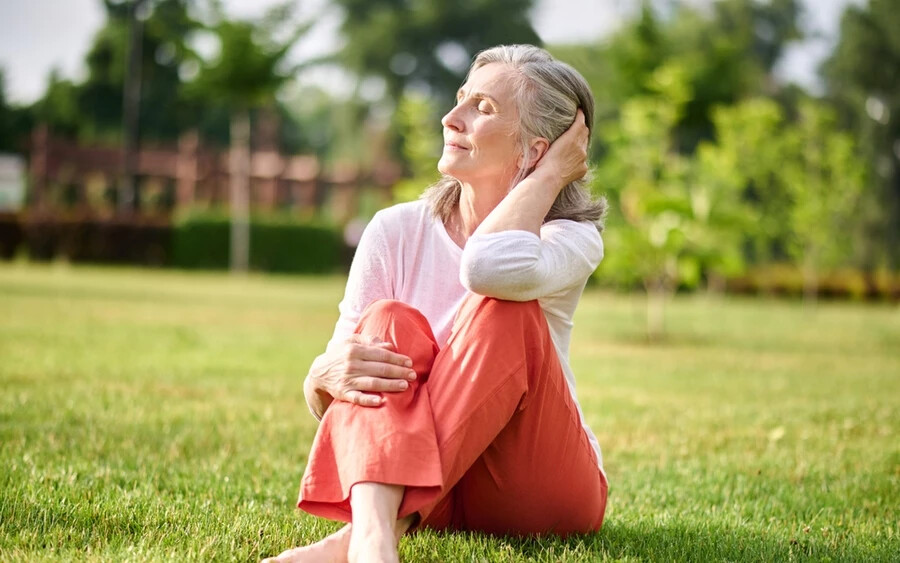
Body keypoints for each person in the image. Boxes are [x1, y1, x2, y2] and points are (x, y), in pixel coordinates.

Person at [264, 44, 608, 563]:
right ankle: (375, 540)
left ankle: (350, 542)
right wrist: (320, 377)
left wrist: (548, 178)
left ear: (536, 150)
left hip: (536, 490)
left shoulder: (569, 238)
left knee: (506, 305)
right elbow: (340, 393)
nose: (451, 118)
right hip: (430, 489)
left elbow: (486, 267)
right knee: (386, 322)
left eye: (483, 109)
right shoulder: (395, 230)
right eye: (460, 99)